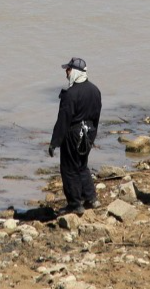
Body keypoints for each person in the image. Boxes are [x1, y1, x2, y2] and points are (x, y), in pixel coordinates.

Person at [48, 57, 102, 215]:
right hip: (89, 131)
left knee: (69, 168)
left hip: (74, 133)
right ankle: (91, 198)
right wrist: (92, 136)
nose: (66, 72)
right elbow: (97, 116)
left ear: (76, 72)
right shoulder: (95, 90)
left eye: (69, 69)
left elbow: (63, 120)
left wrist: (54, 142)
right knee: (82, 165)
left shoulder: (70, 94)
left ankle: (75, 204)